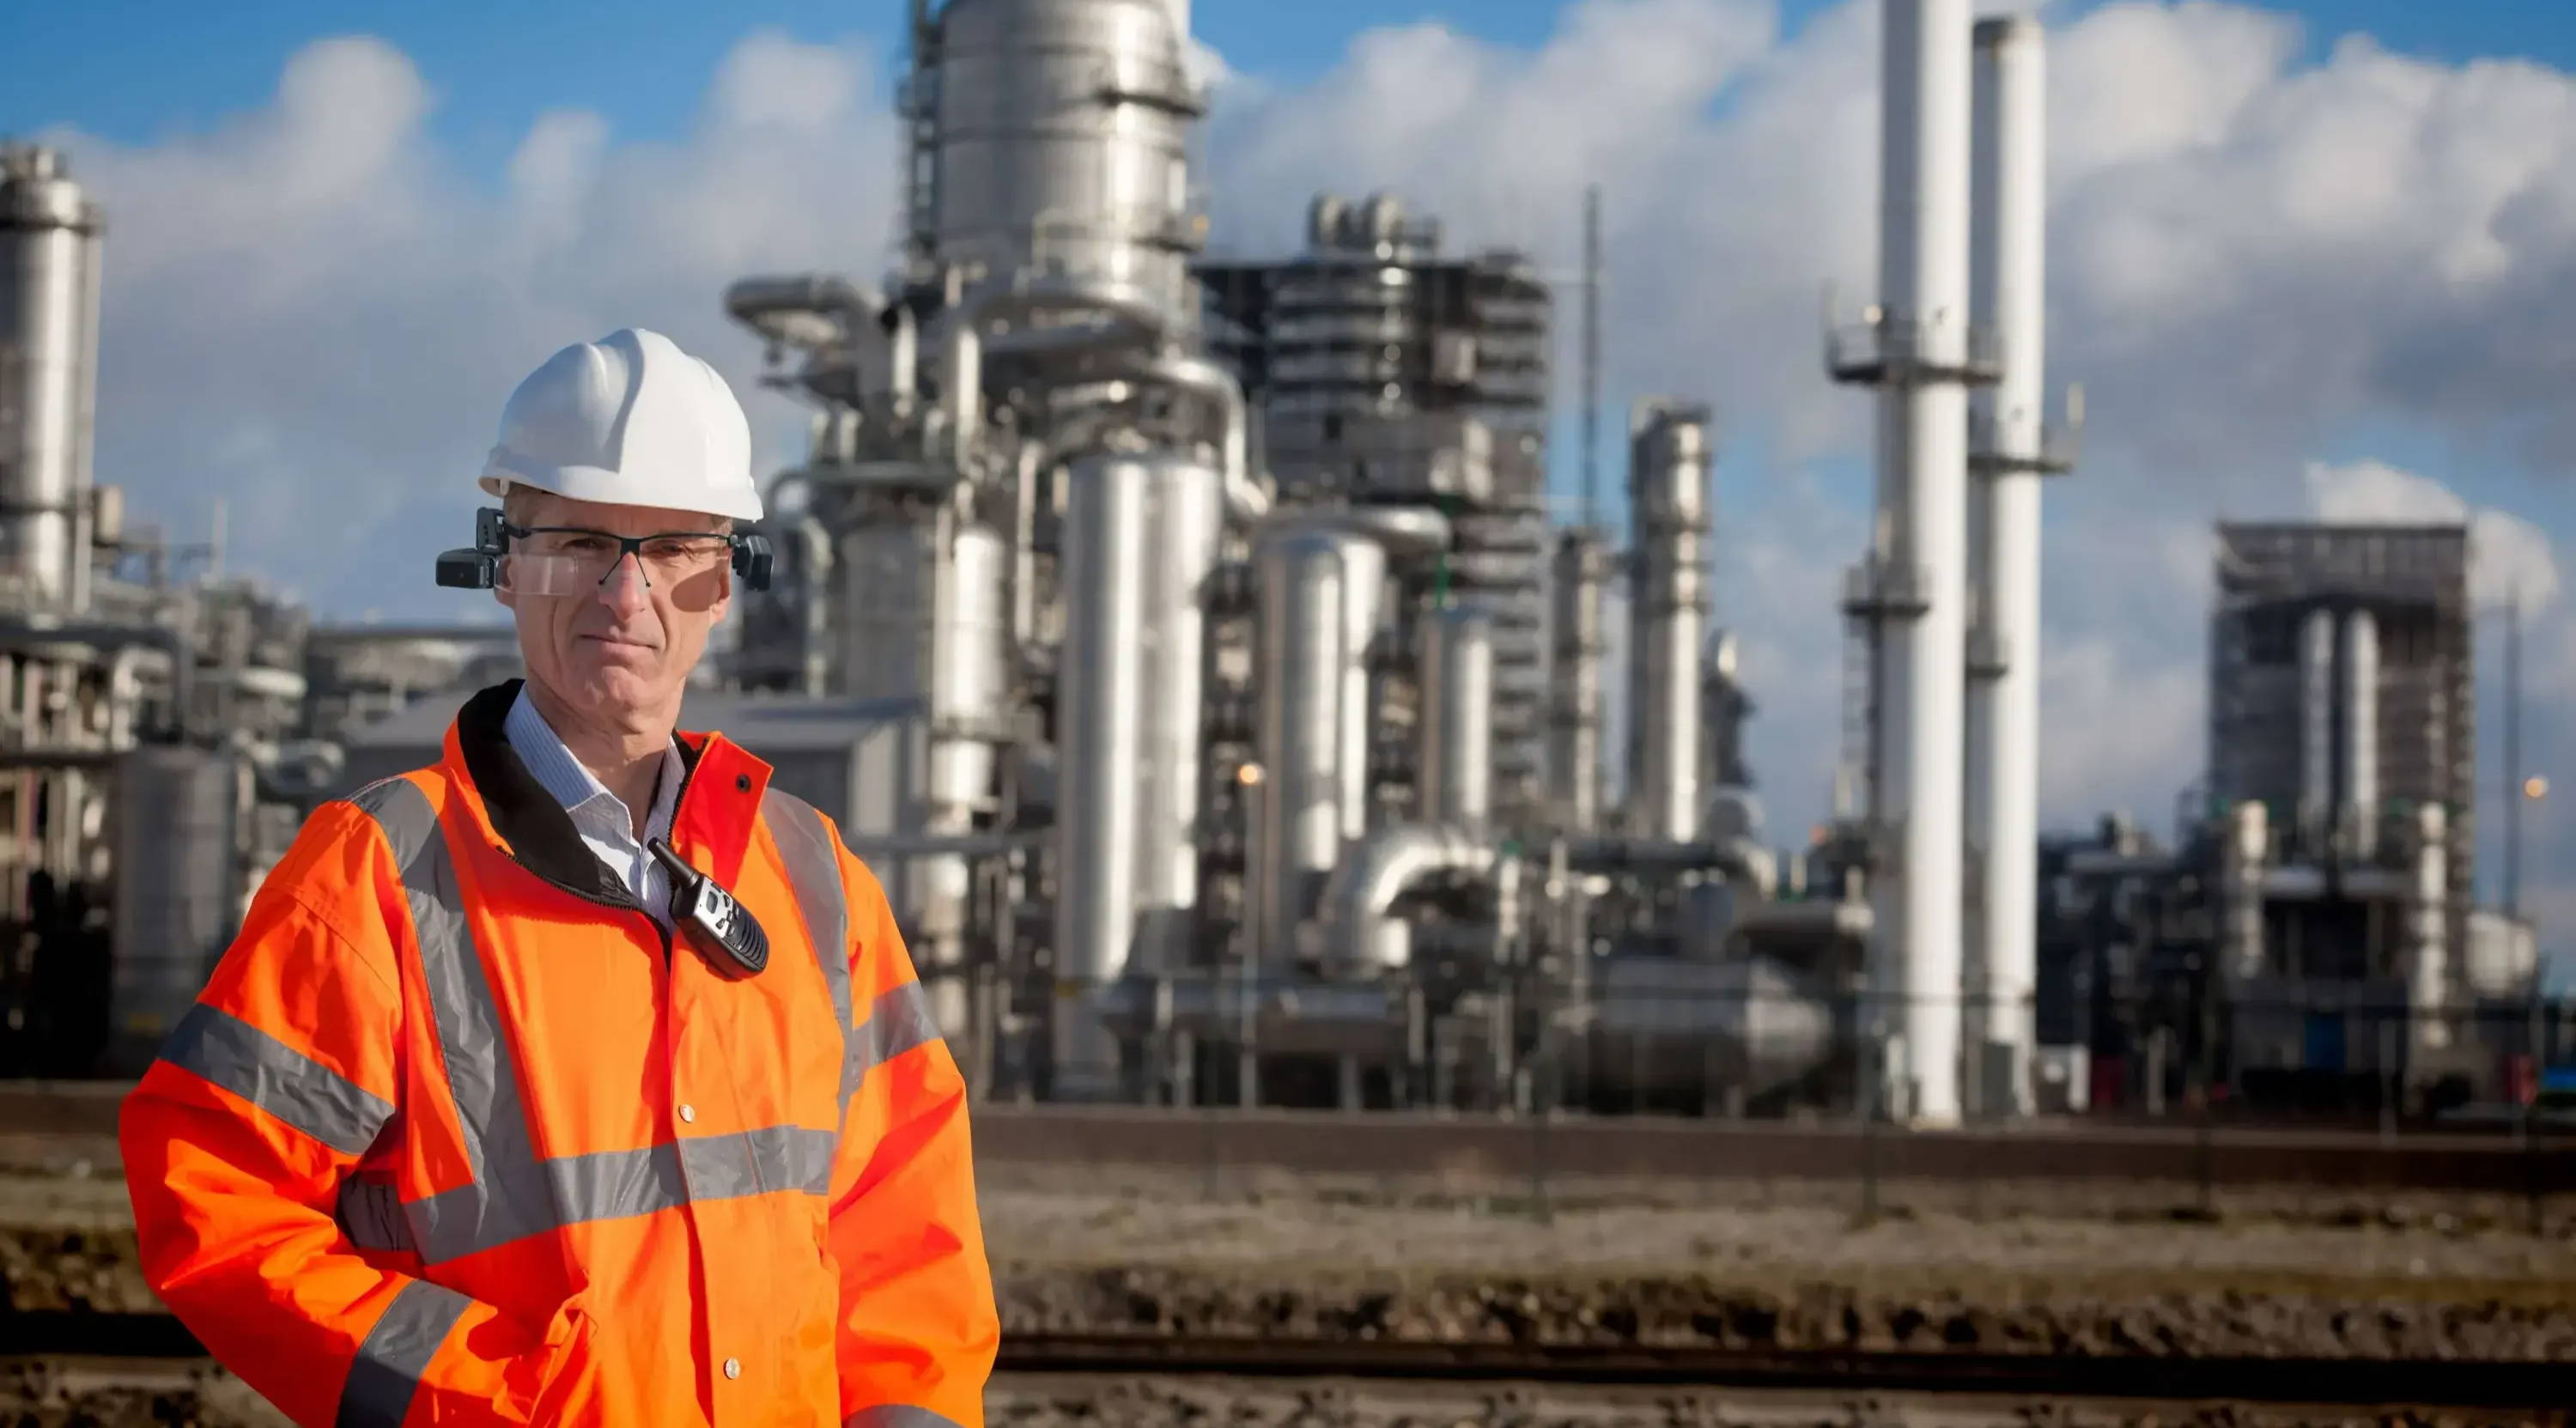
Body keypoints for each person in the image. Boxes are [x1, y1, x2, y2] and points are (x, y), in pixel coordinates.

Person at [118, 327, 999, 1427]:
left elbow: (903, 1218)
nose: (625, 594)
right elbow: (217, 1196)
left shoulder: (815, 879)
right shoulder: (376, 878)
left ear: (725, 583)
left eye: (674, 547)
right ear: (506, 563)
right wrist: (499, 1401)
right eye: (580, 541)